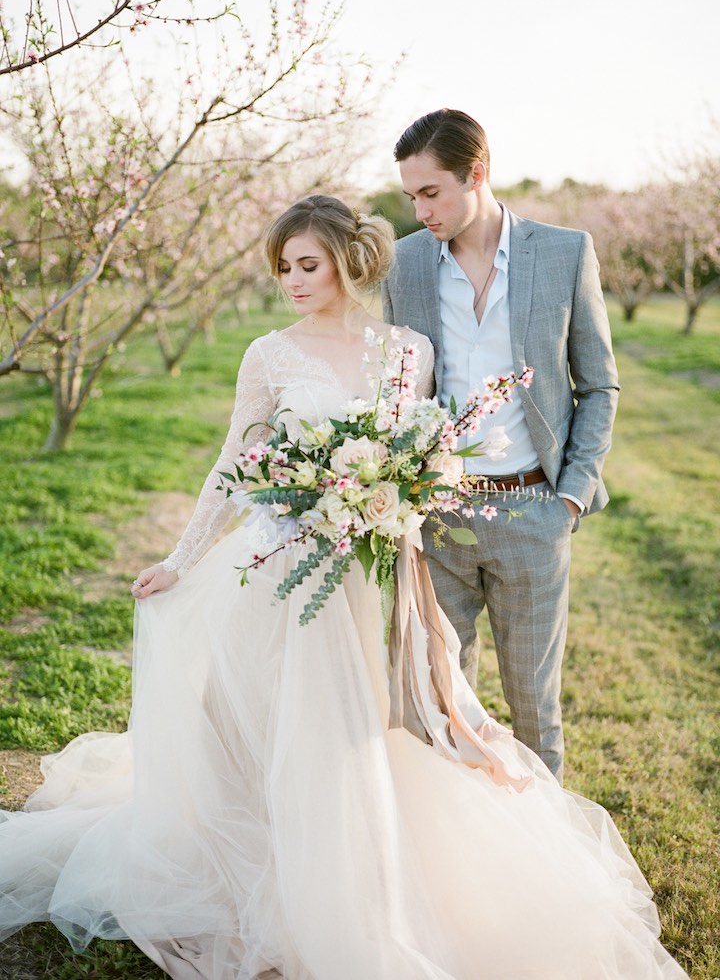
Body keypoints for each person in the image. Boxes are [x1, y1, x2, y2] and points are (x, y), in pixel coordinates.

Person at [0, 195, 686, 979]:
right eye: (283, 267)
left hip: (370, 578)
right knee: (269, 733)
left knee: (376, 735)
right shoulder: (267, 353)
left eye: (307, 265)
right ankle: (269, 875)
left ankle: (372, 877)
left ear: (345, 263)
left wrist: (399, 506)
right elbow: (233, 463)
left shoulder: (408, 351)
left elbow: (423, 457)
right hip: (280, 577)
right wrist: (181, 560)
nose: (292, 280)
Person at [381, 108, 620, 782]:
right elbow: (396, 388)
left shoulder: (565, 252)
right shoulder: (403, 265)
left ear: (477, 173)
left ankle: (550, 860)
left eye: (431, 192)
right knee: (435, 704)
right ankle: (456, 860)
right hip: (439, 521)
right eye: (412, 196)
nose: (421, 208)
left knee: (534, 710)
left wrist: (569, 497)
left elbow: (599, 385)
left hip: (534, 513)